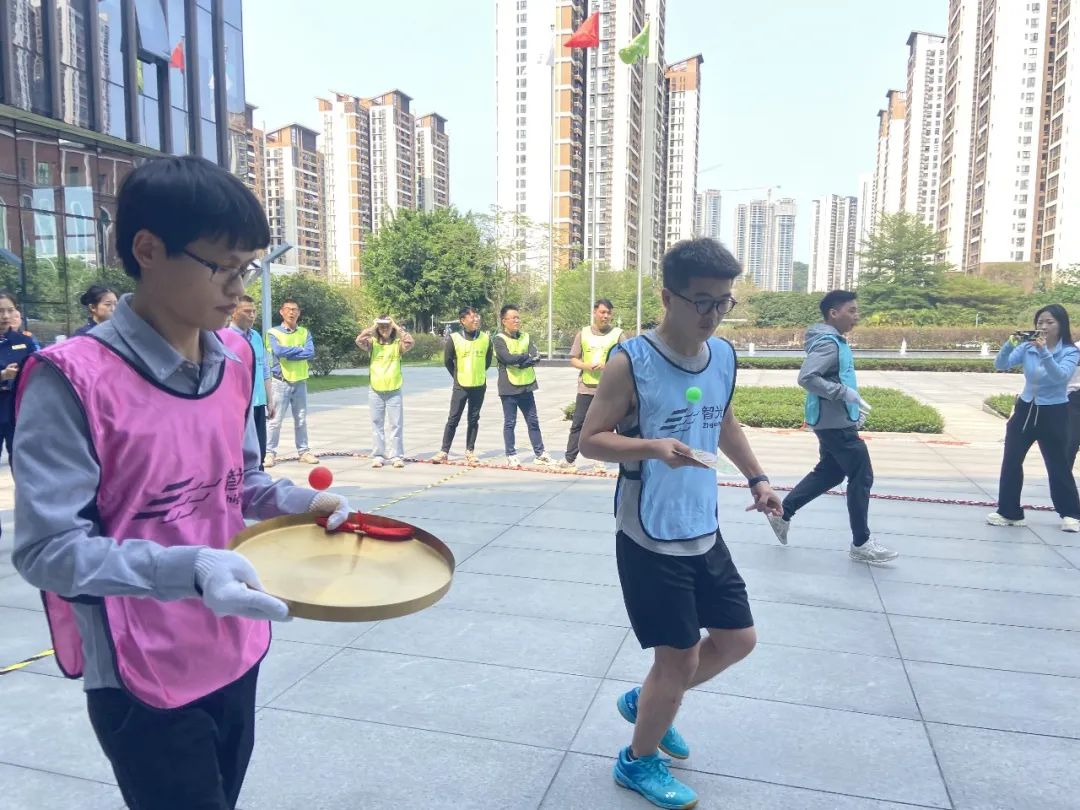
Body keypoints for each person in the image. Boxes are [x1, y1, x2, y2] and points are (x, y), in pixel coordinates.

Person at [11, 155, 350, 810]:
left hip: (234, 642)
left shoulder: (234, 359)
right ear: (147, 249)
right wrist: (192, 568)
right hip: (142, 669)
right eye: (223, 267)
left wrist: (306, 503)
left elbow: (238, 480)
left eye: (247, 269)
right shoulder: (72, 378)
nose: (238, 289)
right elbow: (47, 551)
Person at [580, 238, 779, 809]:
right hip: (648, 531)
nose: (713, 314)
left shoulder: (724, 356)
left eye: (723, 302)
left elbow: (724, 421)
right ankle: (637, 761)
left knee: (738, 640)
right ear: (668, 297)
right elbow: (590, 441)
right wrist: (652, 446)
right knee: (680, 657)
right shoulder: (631, 361)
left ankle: (647, 700)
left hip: (701, 525)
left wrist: (758, 478)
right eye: (702, 301)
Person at [765, 290, 897, 563]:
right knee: (862, 476)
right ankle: (861, 543)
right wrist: (843, 394)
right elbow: (807, 378)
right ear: (833, 313)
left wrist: (852, 408)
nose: (856, 316)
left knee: (831, 473)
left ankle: (782, 514)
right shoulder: (828, 343)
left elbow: (835, 378)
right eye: (851, 311)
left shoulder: (834, 341)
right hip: (835, 426)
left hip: (835, 422)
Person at [988, 304, 1080, 531]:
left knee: (1058, 464)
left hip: (1054, 411)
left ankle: (1071, 514)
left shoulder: (1070, 351)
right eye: (1040, 322)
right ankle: (1010, 513)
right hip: (1025, 409)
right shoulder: (1028, 347)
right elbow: (1001, 364)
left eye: (1050, 322)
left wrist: (1044, 352)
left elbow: (1061, 377)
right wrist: (1010, 343)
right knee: (1011, 460)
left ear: (1061, 325)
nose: (1044, 326)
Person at [562, 298, 624, 472]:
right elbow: (574, 358)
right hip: (586, 388)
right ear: (594, 312)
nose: (605, 316)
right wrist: (585, 366)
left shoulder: (618, 334)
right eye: (602, 312)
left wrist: (608, 365)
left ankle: (600, 461)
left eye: (609, 313)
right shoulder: (583, 333)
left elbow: (626, 358)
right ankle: (569, 460)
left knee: (605, 428)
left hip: (608, 390)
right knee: (578, 424)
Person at [494, 305, 554, 467]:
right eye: (513, 318)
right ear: (504, 321)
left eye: (518, 317)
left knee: (533, 421)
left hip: (527, 386)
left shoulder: (526, 336)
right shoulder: (499, 339)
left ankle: (540, 453)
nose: (517, 320)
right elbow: (507, 358)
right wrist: (525, 357)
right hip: (508, 388)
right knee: (510, 422)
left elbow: (536, 356)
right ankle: (511, 454)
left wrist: (520, 361)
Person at [433, 306, 493, 464]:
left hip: (479, 385)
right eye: (472, 317)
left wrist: (477, 372)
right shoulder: (454, 338)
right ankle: (444, 451)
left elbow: (487, 361)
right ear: (463, 320)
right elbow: (448, 361)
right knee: (453, 418)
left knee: (473, 419)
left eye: (476, 316)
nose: (475, 319)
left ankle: (470, 451)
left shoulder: (485, 338)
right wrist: (457, 377)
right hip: (461, 385)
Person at [356, 315, 415, 468]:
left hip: (394, 390)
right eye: (381, 326)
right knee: (377, 424)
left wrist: (395, 325)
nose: (384, 329)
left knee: (396, 425)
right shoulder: (372, 343)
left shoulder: (397, 344)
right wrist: (372, 327)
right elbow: (359, 340)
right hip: (375, 390)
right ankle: (378, 455)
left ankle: (396, 456)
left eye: (386, 326)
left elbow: (410, 342)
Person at [265, 298, 317, 467]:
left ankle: (304, 451)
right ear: (282, 312)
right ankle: (269, 453)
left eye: (295, 309)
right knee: (275, 421)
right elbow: (278, 351)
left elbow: (310, 352)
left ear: (299, 312)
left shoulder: (304, 332)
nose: (292, 312)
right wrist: (298, 350)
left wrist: (290, 353)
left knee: (301, 419)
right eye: (288, 309)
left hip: (300, 381)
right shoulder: (273, 333)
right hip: (280, 381)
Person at [230, 295, 274, 468]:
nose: (252, 315)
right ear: (234, 312)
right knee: (240, 453)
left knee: (259, 451)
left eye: (254, 311)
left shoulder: (256, 336)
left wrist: (270, 399)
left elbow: (264, 369)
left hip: (258, 402)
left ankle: (259, 479)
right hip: (237, 406)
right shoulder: (225, 337)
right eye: (247, 311)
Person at [0, 290, 40, 465]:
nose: (5, 316)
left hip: (16, 411)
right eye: (0, 311)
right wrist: (3, 375)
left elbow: (36, 372)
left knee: (21, 462)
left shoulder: (24, 341)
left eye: (10, 310)